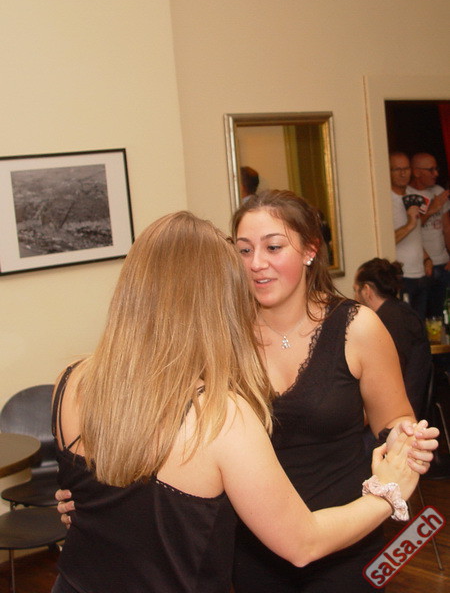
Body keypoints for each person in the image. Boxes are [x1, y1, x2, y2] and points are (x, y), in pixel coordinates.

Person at [51, 211, 427, 593]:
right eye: (243, 255)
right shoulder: (222, 416)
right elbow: (303, 543)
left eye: (273, 247)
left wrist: (89, 504)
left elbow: (133, 498)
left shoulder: (70, 381)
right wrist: (387, 493)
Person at [229, 190, 438, 593]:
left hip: (347, 541)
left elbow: (394, 419)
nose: (256, 263)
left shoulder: (357, 327)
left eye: (273, 247)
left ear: (310, 250)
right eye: (244, 250)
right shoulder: (224, 335)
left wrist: (406, 439)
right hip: (252, 548)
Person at [353, 258, 431, 417]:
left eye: (355, 290)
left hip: (399, 416)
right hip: (410, 408)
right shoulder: (403, 312)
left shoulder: (384, 322)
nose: (354, 297)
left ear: (367, 290)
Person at [390, 151, 430, 318]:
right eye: (397, 169)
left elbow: (417, 235)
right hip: (401, 276)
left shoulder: (415, 196)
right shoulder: (384, 200)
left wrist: (426, 258)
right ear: (388, 171)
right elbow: (386, 240)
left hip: (421, 272)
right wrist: (410, 224)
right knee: (404, 327)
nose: (403, 173)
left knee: (421, 326)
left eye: (406, 168)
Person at [409, 152, 450, 317]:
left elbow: (447, 227)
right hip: (422, 267)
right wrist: (432, 209)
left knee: (443, 316)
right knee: (421, 317)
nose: (436, 174)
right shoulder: (407, 194)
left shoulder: (438, 191)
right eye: (431, 170)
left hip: (443, 264)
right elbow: (411, 228)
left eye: (436, 169)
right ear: (416, 172)